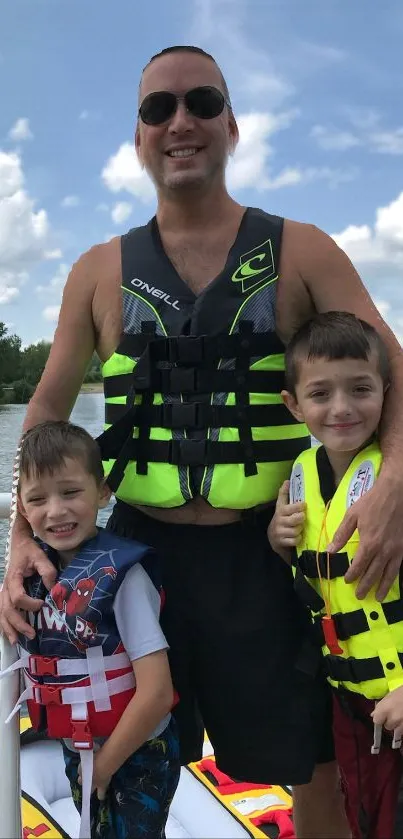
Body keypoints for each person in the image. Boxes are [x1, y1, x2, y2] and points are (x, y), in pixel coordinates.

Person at [2, 44, 403, 838]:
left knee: (311, 761)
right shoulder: (96, 271)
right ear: (139, 137)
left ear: (231, 125)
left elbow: (392, 374)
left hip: (270, 556)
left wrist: (393, 478)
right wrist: (20, 537)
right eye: (159, 109)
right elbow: (47, 412)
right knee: (135, 756)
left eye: (200, 103)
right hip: (136, 564)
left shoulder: (303, 251)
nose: (180, 121)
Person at [4, 420, 180, 839]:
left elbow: (156, 692)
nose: (57, 511)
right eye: (38, 499)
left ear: (102, 492)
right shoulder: (31, 579)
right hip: (77, 746)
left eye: (70, 492)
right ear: (23, 512)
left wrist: (104, 766)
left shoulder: (124, 577)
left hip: (137, 752)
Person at [268, 311, 403, 839]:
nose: (342, 408)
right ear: (293, 405)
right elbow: (316, 576)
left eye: (360, 389)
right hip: (353, 703)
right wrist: (278, 539)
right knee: (365, 819)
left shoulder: (394, 489)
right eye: (321, 394)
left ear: (387, 394)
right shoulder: (302, 476)